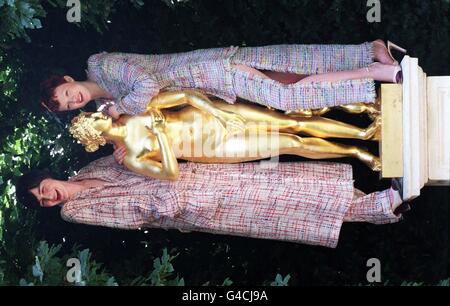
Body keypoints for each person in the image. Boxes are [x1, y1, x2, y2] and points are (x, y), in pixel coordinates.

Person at [16, 155, 404, 248]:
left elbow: (146, 160)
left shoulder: (93, 165)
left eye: (42, 190)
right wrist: (173, 197)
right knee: (285, 210)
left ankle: (382, 203)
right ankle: (384, 206)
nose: (48, 198)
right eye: (42, 202)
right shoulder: (75, 210)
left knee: (289, 181)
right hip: (188, 203)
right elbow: (133, 216)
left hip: (197, 173)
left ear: (46, 177)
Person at [39, 39, 405, 118]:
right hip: (211, 82)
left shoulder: (101, 65)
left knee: (287, 95)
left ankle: (373, 66)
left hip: (212, 68)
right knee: (293, 67)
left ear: (70, 79)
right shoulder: (106, 100)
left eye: (67, 92)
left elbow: (147, 85)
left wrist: (120, 107)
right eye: (68, 104)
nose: (74, 100)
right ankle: (371, 56)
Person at [69, 90, 383, 181]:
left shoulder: (133, 110)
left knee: (290, 119)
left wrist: (220, 112)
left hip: (210, 115)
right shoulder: (132, 157)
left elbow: (184, 95)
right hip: (216, 147)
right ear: (94, 139)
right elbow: (170, 173)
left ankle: (364, 129)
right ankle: (357, 152)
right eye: (87, 125)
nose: (92, 118)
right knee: (293, 143)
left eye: (88, 117)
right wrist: (162, 136)